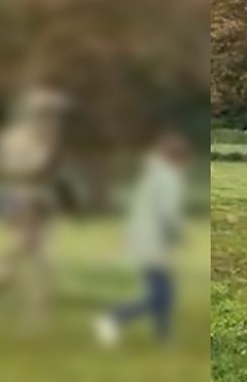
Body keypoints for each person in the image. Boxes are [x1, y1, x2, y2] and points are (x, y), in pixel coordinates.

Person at [0, 87, 70, 326]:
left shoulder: (42, 139)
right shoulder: (18, 139)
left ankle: (35, 317)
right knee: (22, 259)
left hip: (35, 199)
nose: (54, 120)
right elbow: (18, 170)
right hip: (21, 199)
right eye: (50, 114)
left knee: (43, 261)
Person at [94, 130, 188, 347]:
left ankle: (163, 337)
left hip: (144, 240)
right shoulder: (168, 178)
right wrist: (179, 235)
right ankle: (114, 319)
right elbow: (167, 213)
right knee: (160, 295)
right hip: (155, 243)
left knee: (163, 294)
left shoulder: (153, 175)